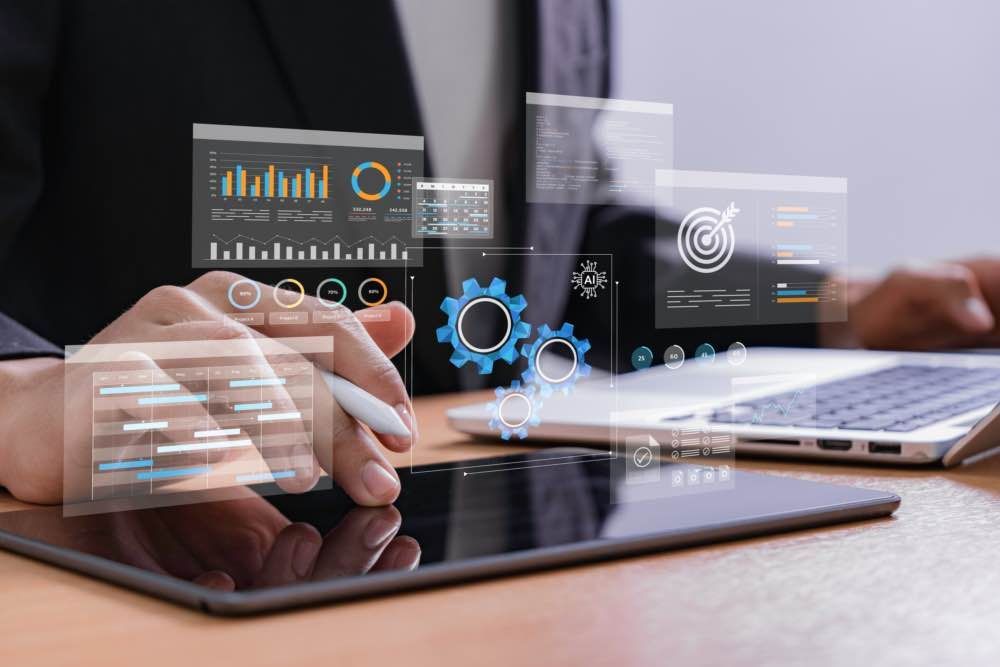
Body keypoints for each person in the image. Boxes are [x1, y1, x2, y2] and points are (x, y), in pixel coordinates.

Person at [0, 1, 997, 506]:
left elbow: (550, 234)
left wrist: (833, 305)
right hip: (160, 560)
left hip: (473, 556)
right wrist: (20, 394)